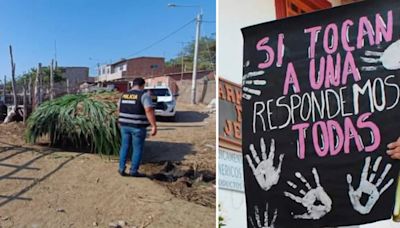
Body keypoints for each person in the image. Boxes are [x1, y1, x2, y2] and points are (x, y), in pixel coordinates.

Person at [118, 77, 157, 177]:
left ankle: (121, 168)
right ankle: (133, 171)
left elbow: (119, 109)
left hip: (124, 126)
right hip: (137, 126)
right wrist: (153, 126)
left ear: (133, 85)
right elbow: (148, 110)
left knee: (124, 147)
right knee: (137, 148)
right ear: (142, 85)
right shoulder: (144, 95)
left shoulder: (123, 95)